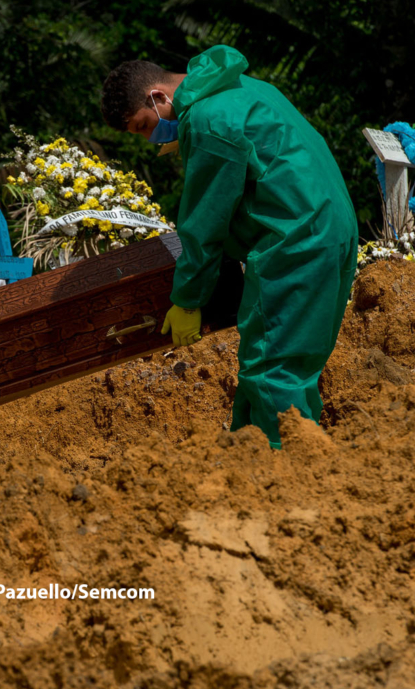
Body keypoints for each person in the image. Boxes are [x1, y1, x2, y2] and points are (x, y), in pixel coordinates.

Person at [100, 45, 358, 448]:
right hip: (331, 226)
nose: (150, 138)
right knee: (292, 361)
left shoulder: (207, 120)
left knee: (273, 367)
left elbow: (205, 224)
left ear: (157, 96)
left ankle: (285, 476)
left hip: (293, 242)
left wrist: (187, 300)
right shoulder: (242, 86)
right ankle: (251, 456)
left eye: (143, 125)